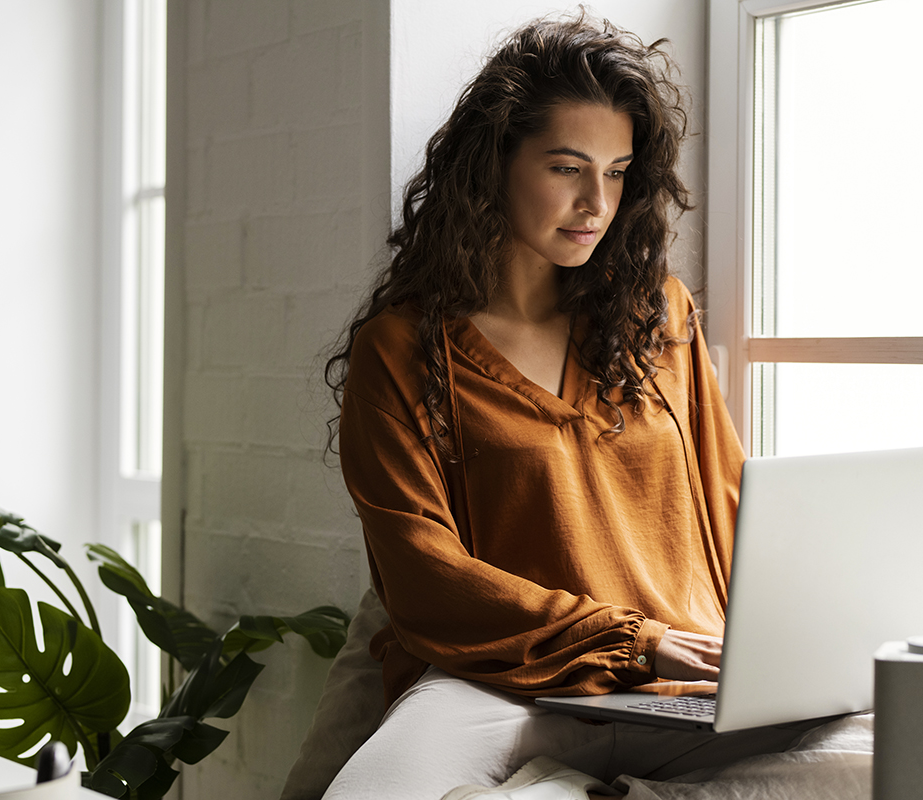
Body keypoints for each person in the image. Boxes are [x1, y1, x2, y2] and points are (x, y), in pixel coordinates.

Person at [307, 11, 816, 800]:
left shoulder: (658, 315)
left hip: (683, 684)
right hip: (504, 682)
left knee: (895, 751)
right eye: (566, 167)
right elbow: (424, 578)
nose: (595, 202)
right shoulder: (403, 350)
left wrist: (779, 644)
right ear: (495, 166)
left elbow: (728, 497)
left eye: (616, 172)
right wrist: (631, 640)